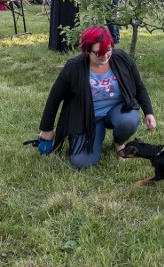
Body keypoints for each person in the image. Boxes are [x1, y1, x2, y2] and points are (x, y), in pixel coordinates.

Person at [38, 25, 156, 169]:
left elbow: (139, 86)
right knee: (81, 162)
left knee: (130, 120)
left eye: (108, 50)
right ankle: (91, 138)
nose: (105, 56)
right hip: (87, 119)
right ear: (87, 50)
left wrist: (148, 112)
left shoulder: (122, 59)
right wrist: (46, 129)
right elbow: (54, 98)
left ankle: (119, 143)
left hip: (116, 111)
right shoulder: (73, 68)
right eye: (99, 52)